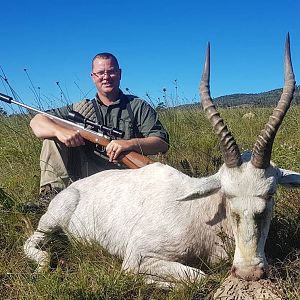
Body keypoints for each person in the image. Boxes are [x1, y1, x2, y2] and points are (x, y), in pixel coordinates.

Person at [29, 52, 169, 204]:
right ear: (93, 76)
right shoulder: (80, 109)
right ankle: (51, 198)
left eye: (111, 71)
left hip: (127, 178)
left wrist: (128, 144)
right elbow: (37, 122)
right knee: (52, 138)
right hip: (87, 175)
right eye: (100, 73)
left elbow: (161, 143)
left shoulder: (137, 106)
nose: (106, 77)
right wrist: (59, 131)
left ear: (119, 73)